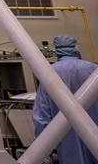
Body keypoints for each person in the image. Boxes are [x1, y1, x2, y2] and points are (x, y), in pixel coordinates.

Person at [33, 34, 98, 164]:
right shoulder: (92, 69)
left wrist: (45, 147)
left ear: (57, 50)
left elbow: (41, 116)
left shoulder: (49, 73)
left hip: (66, 140)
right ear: (76, 48)